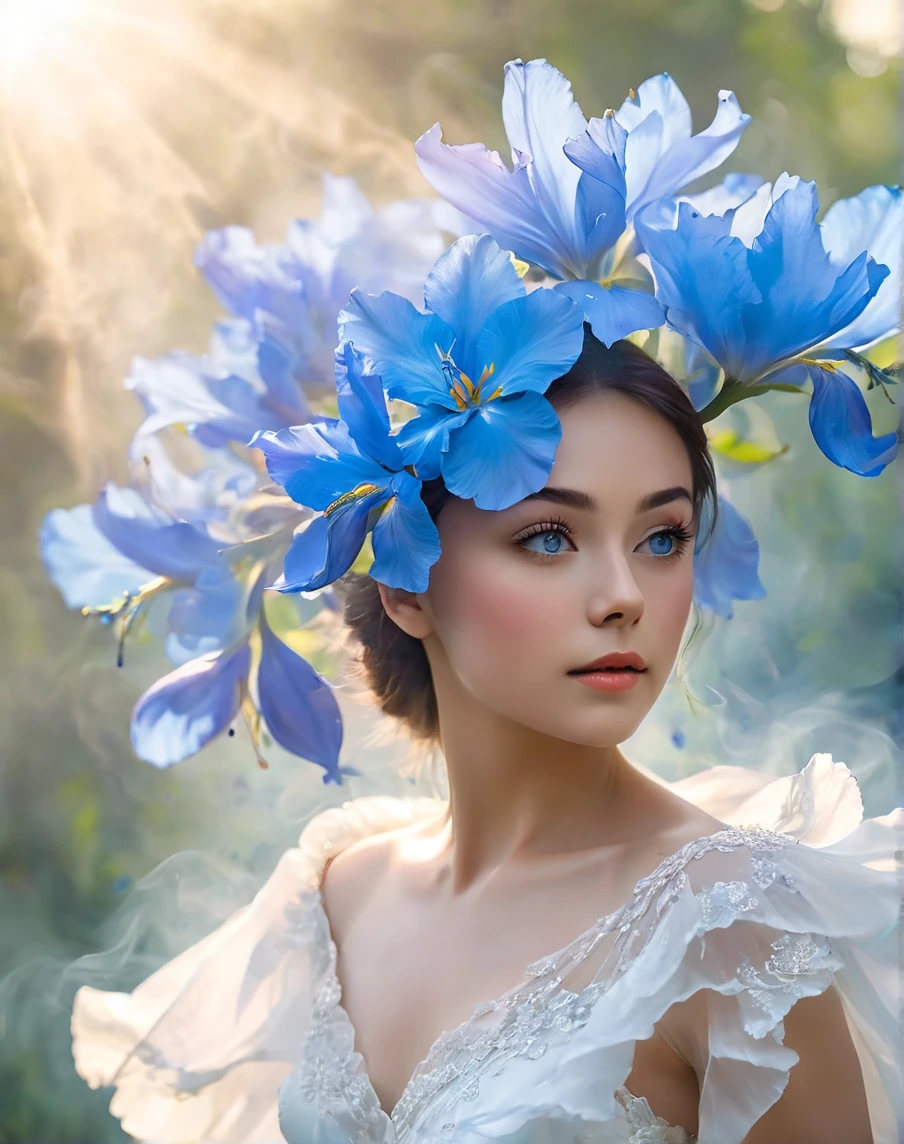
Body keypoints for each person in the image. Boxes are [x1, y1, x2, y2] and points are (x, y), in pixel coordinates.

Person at [71, 324, 902, 1144]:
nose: (625, 596)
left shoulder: (729, 923)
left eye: (662, 538)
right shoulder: (337, 894)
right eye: (549, 536)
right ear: (406, 585)